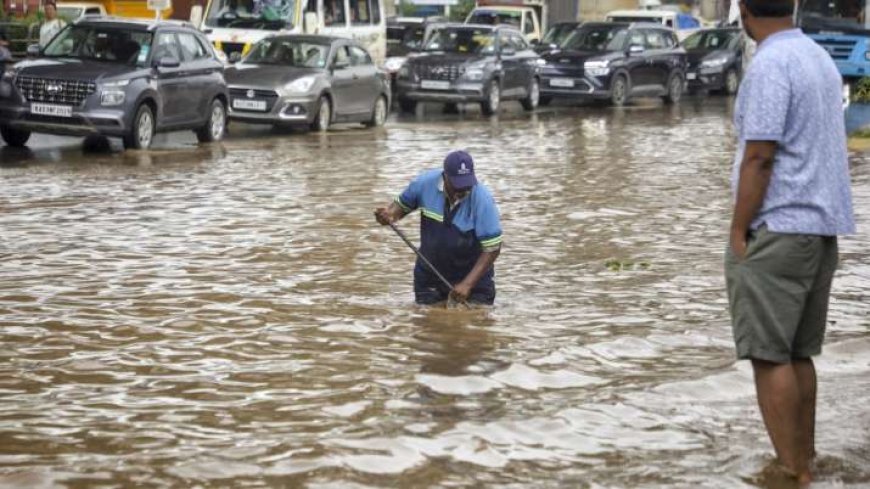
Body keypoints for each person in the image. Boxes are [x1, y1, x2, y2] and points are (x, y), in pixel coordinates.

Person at [725, 0, 855, 484]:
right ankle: (808, 460)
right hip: (818, 232)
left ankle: (790, 470)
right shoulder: (817, 56)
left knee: (769, 355)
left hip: (776, 229)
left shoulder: (770, 63)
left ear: (743, 10)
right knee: (800, 354)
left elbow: (759, 155)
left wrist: (739, 231)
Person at [374, 151, 503, 305]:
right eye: (458, 186)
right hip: (430, 275)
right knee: (429, 325)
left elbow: (493, 248)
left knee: (475, 324)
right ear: (445, 176)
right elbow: (398, 210)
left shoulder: (483, 199)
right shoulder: (423, 184)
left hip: (474, 279)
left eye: (467, 185)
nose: (463, 191)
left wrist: (467, 284)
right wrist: (388, 216)